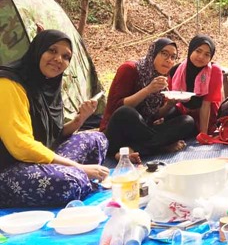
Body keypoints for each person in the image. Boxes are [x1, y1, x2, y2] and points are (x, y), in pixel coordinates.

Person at [0, 30, 109, 208]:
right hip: (8, 168)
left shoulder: (47, 84)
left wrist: (80, 119)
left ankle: (74, 176)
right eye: (52, 50)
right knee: (70, 181)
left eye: (66, 56)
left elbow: (55, 135)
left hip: (39, 159)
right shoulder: (8, 84)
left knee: (97, 139)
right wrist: (77, 167)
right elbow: (21, 146)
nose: (59, 59)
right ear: (38, 51)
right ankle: (76, 178)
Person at [100, 37, 195, 158]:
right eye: (164, 54)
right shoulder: (129, 69)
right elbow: (117, 108)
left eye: (173, 57)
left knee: (187, 121)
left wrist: (170, 104)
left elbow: (154, 115)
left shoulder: (164, 77)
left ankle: (131, 150)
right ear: (153, 53)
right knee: (126, 112)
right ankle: (159, 147)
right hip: (117, 133)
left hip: (143, 132)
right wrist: (148, 89)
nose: (168, 60)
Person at [169, 34, 223, 136]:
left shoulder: (214, 71)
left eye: (207, 54)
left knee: (187, 124)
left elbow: (206, 105)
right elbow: (171, 100)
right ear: (191, 50)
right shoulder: (176, 70)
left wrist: (203, 134)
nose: (201, 57)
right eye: (198, 51)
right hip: (183, 111)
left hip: (207, 117)